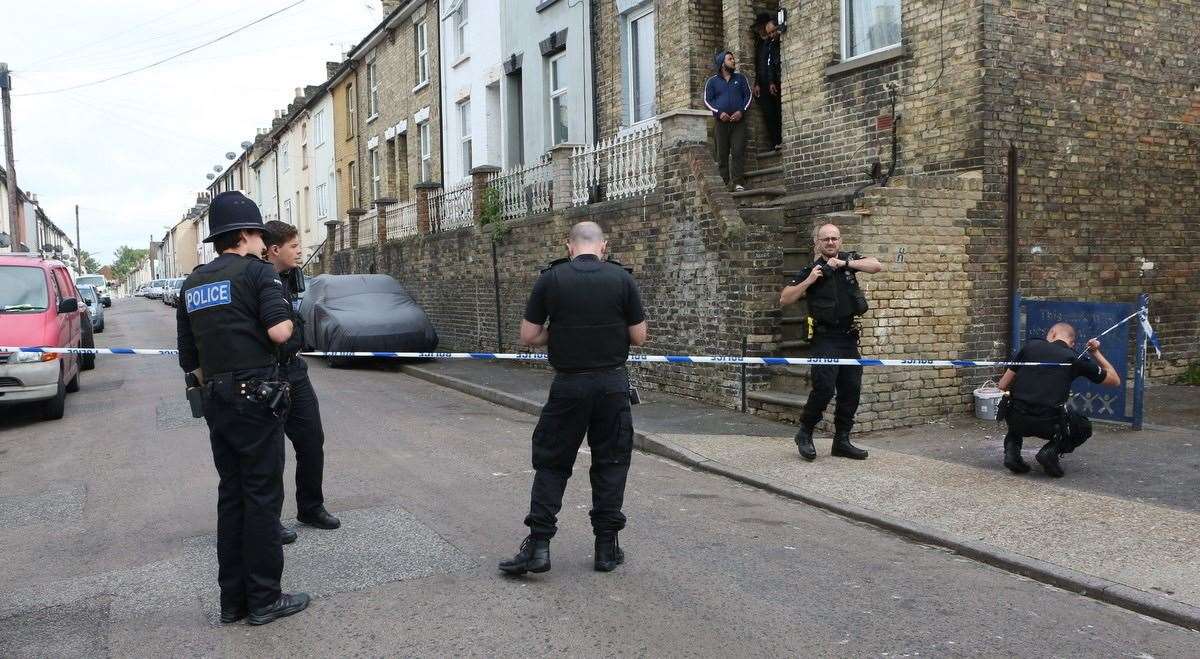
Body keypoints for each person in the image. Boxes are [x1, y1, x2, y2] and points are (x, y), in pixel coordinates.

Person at [177, 191, 310, 625]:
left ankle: (232, 602)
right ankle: (266, 598)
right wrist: (292, 321)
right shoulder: (259, 274)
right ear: (248, 234)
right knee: (262, 497)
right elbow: (278, 331)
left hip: (216, 399)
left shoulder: (193, 283)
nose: (262, 241)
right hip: (259, 398)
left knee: (231, 496)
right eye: (260, 234)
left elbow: (189, 359)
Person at [499, 221, 648, 576]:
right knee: (611, 464)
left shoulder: (551, 279)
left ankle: (538, 547)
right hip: (612, 387)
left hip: (569, 386)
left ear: (569, 246)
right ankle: (606, 549)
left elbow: (528, 335)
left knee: (552, 463)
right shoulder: (622, 279)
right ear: (603, 246)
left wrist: (560, 332)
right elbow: (639, 337)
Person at [263, 221, 341, 543]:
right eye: (294, 246)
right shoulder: (259, 282)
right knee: (270, 453)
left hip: (295, 370)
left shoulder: (288, 279)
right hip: (269, 373)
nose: (300, 251)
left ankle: (311, 506)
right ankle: (270, 521)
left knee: (311, 440)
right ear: (274, 249)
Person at [779, 223, 882, 461]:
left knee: (851, 390)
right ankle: (804, 433)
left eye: (834, 238)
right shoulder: (810, 269)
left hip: (848, 338)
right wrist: (809, 281)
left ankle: (842, 441)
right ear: (818, 243)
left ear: (840, 241)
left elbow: (876, 265)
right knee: (824, 388)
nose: (831, 243)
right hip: (824, 339)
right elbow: (785, 299)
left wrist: (845, 263)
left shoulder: (849, 261)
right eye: (826, 239)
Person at [997, 323, 1120, 477]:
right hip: (1049, 423)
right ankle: (1051, 451)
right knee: (1084, 426)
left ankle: (1012, 452)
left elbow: (1002, 385)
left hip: (1017, 419)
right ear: (1072, 343)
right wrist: (1095, 352)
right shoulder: (1075, 358)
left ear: (1053, 334)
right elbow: (1115, 380)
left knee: (1015, 405)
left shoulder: (1029, 347)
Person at [704, 49, 753, 191]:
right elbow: (707, 101)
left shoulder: (740, 78)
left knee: (738, 151)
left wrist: (741, 111)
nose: (733, 61)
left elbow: (748, 96)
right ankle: (724, 185)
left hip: (738, 122)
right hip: (721, 123)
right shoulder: (712, 82)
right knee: (722, 154)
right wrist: (719, 113)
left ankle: (738, 182)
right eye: (730, 59)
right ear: (722, 63)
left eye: (733, 59)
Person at [753, 14, 783, 151]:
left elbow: (771, 64)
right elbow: (760, 66)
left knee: (778, 111)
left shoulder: (775, 43)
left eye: (772, 31)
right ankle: (775, 142)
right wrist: (757, 83)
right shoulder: (761, 44)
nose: (762, 32)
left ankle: (781, 140)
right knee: (769, 114)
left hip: (775, 81)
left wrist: (772, 81)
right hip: (765, 83)